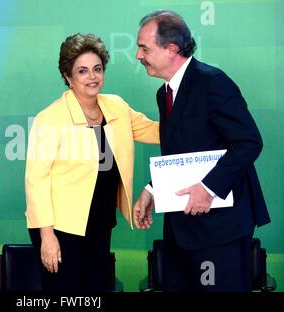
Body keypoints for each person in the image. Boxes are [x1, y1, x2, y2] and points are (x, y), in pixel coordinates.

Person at [133, 10, 270, 292]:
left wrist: (208, 188)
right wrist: (152, 189)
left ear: (171, 49)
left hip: (222, 230)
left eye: (144, 48)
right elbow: (182, 153)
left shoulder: (212, 82)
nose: (138, 55)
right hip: (182, 230)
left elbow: (249, 142)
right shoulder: (165, 94)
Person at [25, 33, 159, 291]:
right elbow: (36, 181)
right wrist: (47, 236)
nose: (92, 77)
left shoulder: (116, 107)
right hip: (61, 229)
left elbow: (156, 131)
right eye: (83, 71)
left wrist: (194, 120)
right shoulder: (50, 118)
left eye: (97, 69)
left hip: (100, 222)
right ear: (68, 77)